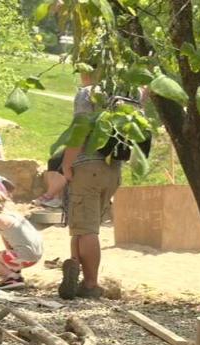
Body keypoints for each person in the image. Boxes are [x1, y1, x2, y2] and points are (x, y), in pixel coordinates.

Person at [59, 65, 119, 300]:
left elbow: (81, 129)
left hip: (88, 165)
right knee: (82, 224)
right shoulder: (123, 92)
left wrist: (66, 163)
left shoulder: (88, 93)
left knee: (86, 229)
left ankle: (91, 284)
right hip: (113, 168)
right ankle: (75, 266)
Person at [0, 188, 43, 289]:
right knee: (10, 252)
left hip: (26, 257)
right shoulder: (14, 215)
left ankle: (13, 278)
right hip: (36, 256)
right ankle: (15, 272)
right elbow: (7, 240)